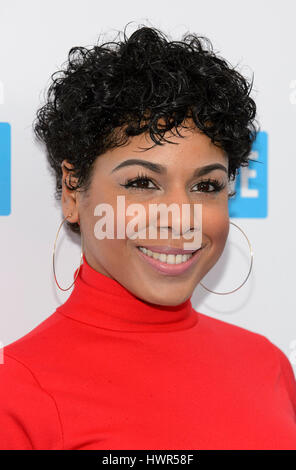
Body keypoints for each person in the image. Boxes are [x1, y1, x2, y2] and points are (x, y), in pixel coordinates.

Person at [1, 23, 295, 450]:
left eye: (206, 186)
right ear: (72, 191)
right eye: (141, 182)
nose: (180, 218)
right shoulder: (16, 390)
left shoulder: (267, 366)